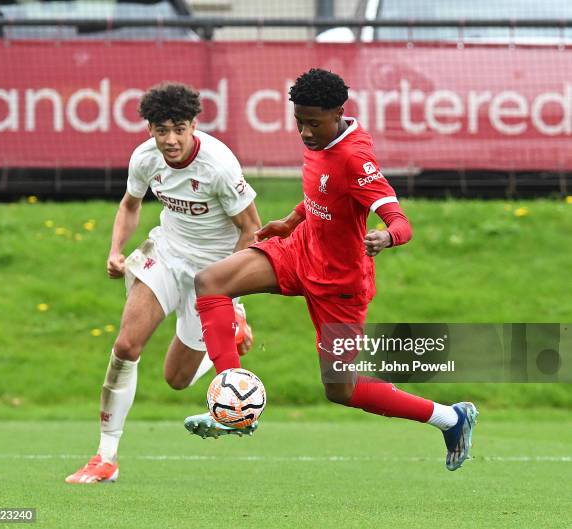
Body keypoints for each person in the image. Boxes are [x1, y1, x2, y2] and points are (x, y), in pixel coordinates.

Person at [184, 69, 478, 471]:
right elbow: (322, 192)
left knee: (341, 389)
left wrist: (387, 237)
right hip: (301, 251)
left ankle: (451, 418)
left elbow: (400, 220)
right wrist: (290, 221)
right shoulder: (322, 136)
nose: (304, 132)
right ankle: (231, 404)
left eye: (313, 123)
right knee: (211, 282)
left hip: (340, 286)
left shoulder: (356, 157)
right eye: (298, 121)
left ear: (339, 112)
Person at [65, 83, 261, 484]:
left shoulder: (219, 165)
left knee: (177, 379)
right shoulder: (144, 158)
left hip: (213, 274)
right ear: (150, 129)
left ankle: (231, 332)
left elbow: (252, 230)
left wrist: (231, 298)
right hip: (167, 255)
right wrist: (116, 250)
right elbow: (130, 205)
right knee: (125, 345)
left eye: (179, 129)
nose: (170, 140)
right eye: (160, 130)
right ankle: (105, 457)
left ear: (193, 126)